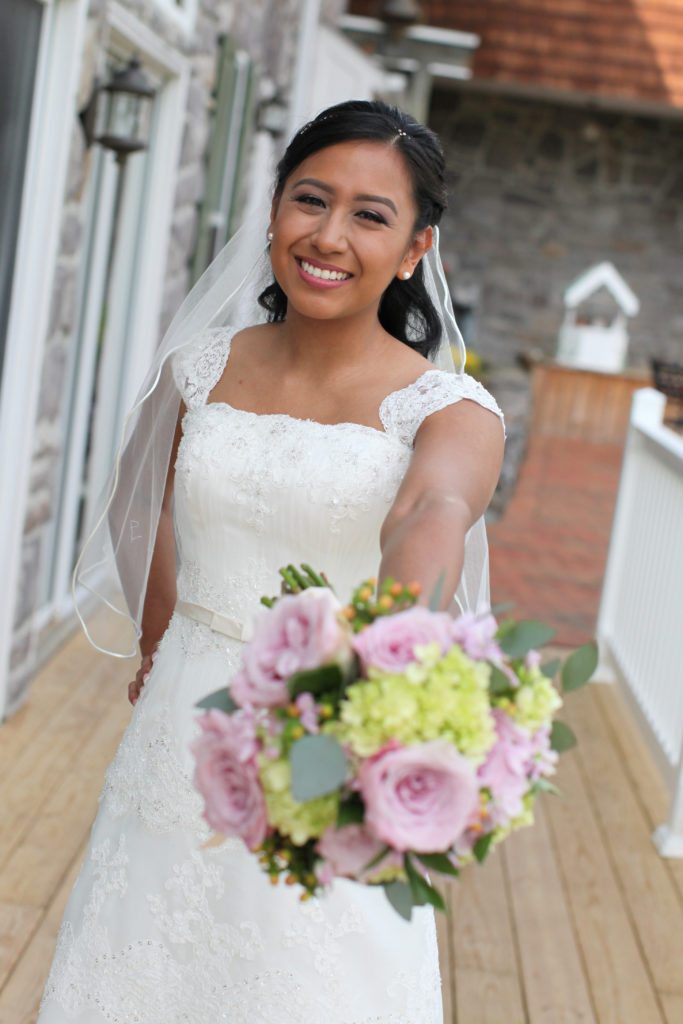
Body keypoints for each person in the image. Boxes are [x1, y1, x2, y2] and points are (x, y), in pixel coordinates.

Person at [37, 100, 505, 1023]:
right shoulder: (198, 369)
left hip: (330, 739)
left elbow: (430, 511)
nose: (327, 236)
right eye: (309, 200)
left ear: (416, 246)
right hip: (178, 738)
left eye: (370, 216)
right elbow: (146, 510)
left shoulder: (450, 410)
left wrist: (374, 682)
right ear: (273, 210)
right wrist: (162, 643)